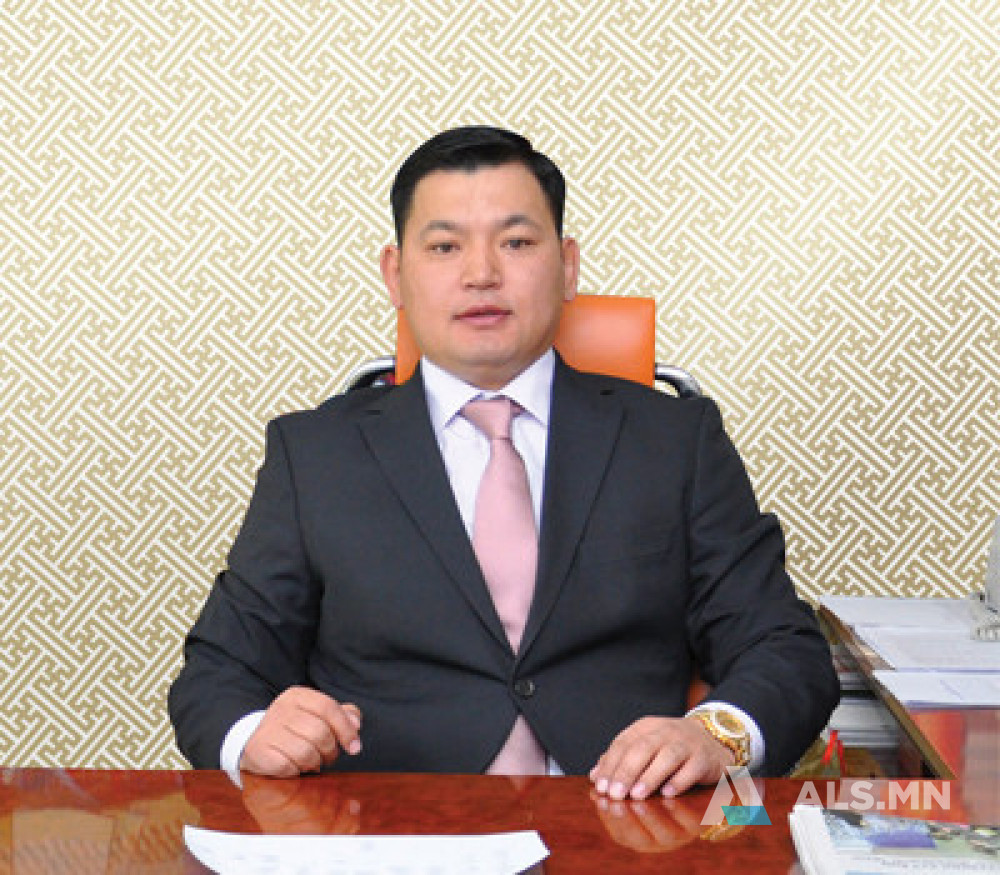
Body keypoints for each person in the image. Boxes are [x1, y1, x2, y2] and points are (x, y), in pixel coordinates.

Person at [169, 125, 839, 801]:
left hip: (623, 822)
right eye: (444, 246)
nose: (481, 274)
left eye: (516, 242)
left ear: (568, 266)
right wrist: (254, 733)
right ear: (395, 275)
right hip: (392, 825)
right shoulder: (315, 454)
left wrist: (717, 736)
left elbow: (783, 647)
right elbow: (218, 672)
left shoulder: (674, 441)